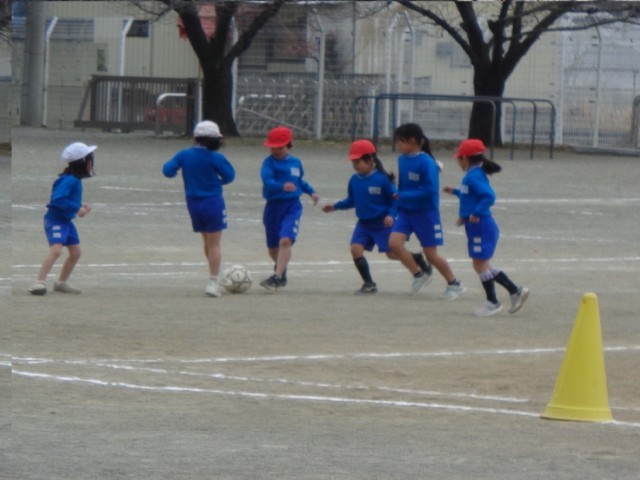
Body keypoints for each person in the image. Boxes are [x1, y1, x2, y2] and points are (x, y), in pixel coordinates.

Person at [322, 139, 431, 294]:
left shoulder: (382, 179)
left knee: (392, 254)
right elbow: (351, 200)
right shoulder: (354, 180)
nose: (355, 166)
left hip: (382, 224)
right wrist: (335, 206)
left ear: (370, 160)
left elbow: (395, 200)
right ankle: (369, 284)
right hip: (364, 224)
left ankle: (416, 260)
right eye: (353, 162)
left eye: (358, 162)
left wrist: (391, 216)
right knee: (355, 249)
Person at [444, 138, 529, 316]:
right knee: (482, 264)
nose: (458, 162)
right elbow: (470, 196)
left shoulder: (473, 176)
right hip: (477, 225)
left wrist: (476, 213)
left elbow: (488, 196)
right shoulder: (473, 174)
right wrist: (456, 192)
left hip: (481, 225)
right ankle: (514, 291)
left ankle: (493, 302)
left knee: (480, 264)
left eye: (459, 158)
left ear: (465, 159)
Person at [388, 123, 466, 299]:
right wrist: (398, 203)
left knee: (431, 255)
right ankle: (419, 275)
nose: (397, 145)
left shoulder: (426, 163)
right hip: (406, 212)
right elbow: (402, 186)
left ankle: (454, 284)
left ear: (412, 141)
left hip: (426, 213)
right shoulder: (402, 159)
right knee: (394, 244)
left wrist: (404, 195)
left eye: (400, 141)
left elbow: (430, 190)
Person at [163, 120, 235, 297]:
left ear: (195, 138)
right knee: (215, 243)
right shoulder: (215, 157)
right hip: (212, 201)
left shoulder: (184, 155)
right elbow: (230, 176)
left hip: (193, 203)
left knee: (207, 241)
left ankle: (218, 273)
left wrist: (176, 173)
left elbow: (167, 170)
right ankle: (213, 281)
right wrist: (218, 182)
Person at [29, 142, 97, 296]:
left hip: (66, 221)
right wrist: (76, 208)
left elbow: (67, 199)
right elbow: (58, 200)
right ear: (82, 162)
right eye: (89, 159)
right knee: (56, 250)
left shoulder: (74, 179)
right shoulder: (69, 180)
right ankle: (39, 282)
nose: (91, 163)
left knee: (76, 252)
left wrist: (80, 205)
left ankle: (61, 283)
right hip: (56, 220)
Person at [259, 126, 318, 292]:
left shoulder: (296, 162)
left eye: (279, 147)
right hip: (273, 207)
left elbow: (299, 181)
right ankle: (281, 271)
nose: (275, 150)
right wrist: (282, 186)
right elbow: (267, 181)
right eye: (272, 147)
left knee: (285, 240)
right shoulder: (268, 163)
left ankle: (277, 276)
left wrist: (311, 192)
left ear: (288, 145)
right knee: (273, 248)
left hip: (292, 206)